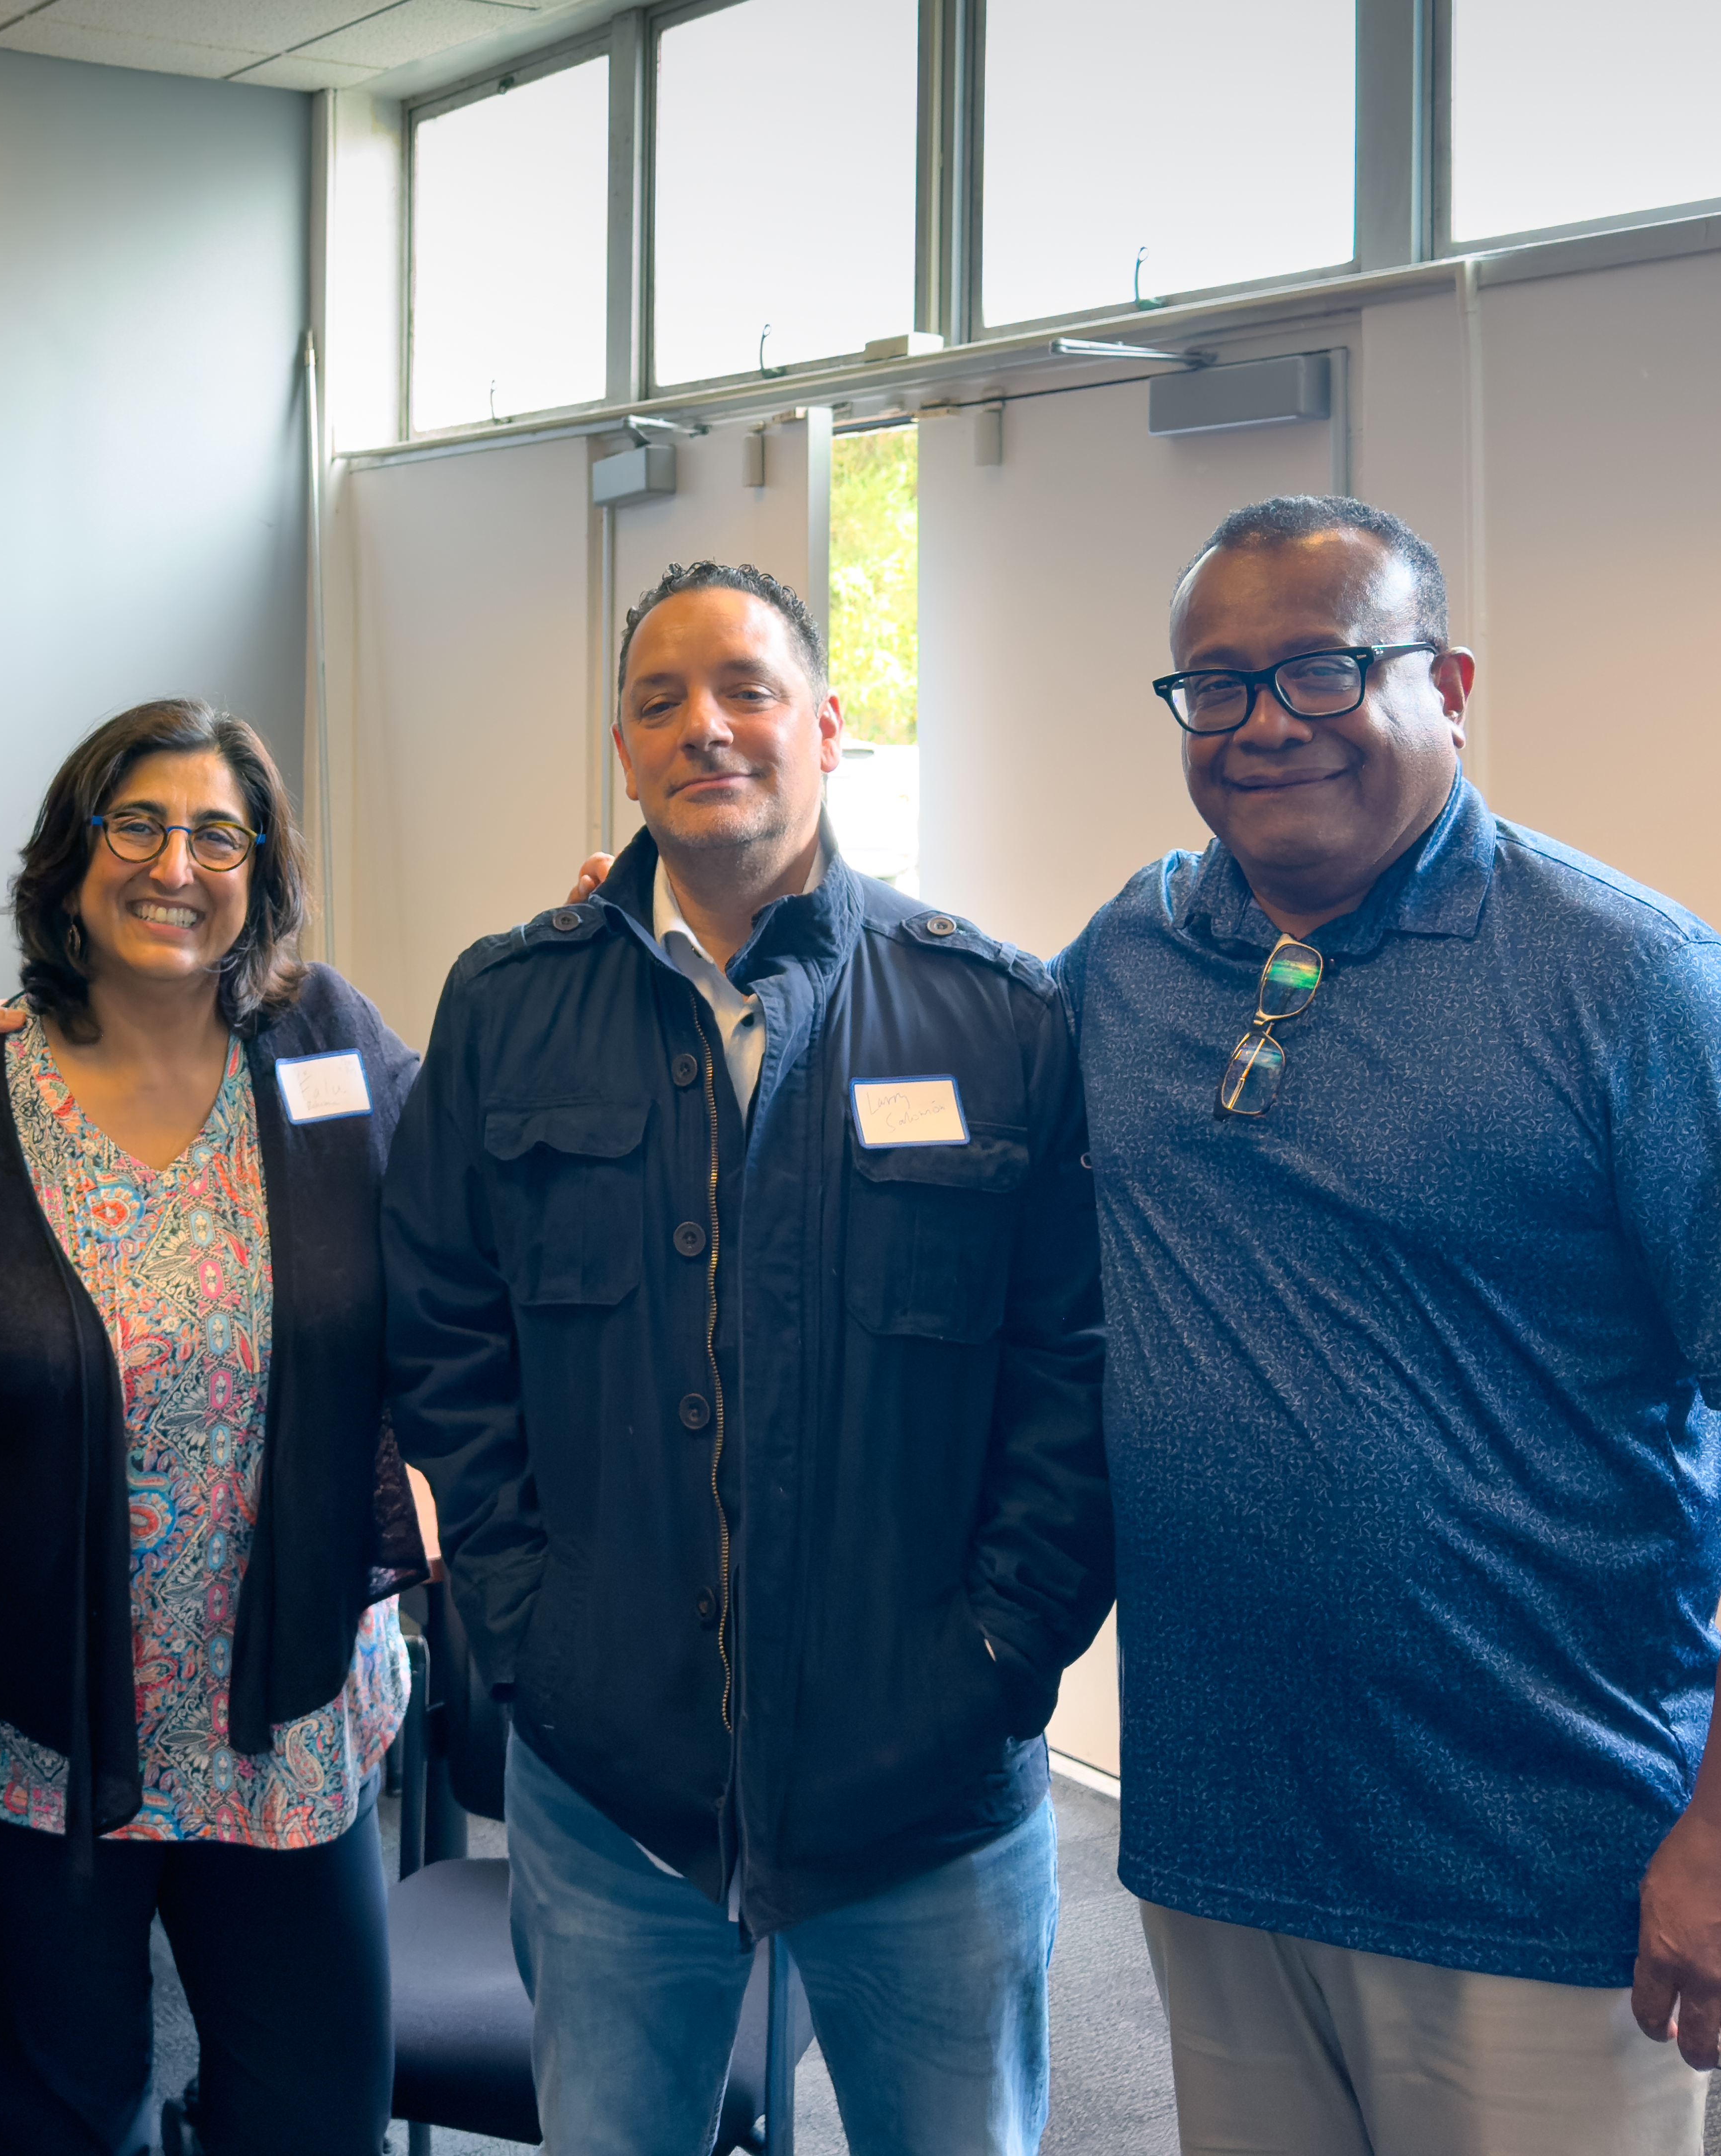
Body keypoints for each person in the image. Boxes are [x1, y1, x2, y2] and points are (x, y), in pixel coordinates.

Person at [1064, 495, 1721, 2156]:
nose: (1263, 724)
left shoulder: (1632, 981)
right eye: (1213, 687)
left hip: (1539, 1860)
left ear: (1446, 683)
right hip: (1224, 1839)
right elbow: (909, 1061)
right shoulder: (1135, 958)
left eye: (1321, 670)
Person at [387, 561, 1111, 2156]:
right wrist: (525, 1625)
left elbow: (1074, 1371)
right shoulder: (510, 1009)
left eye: (747, 690)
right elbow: (443, 1338)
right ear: (626, 750)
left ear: (828, 728)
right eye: (660, 700)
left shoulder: (989, 1014)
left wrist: (998, 1657)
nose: (704, 727)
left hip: (928, 1792)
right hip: (611, 1793)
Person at [0, 700, 427, 2156]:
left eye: (219, 833)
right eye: (139, 823)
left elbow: (484, 1163)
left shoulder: (332, 1049)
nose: (178, 862)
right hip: (34, 1725)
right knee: (54, 2118)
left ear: (263, 871)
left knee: (314, 2119)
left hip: (285, 1711)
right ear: (69, 860)